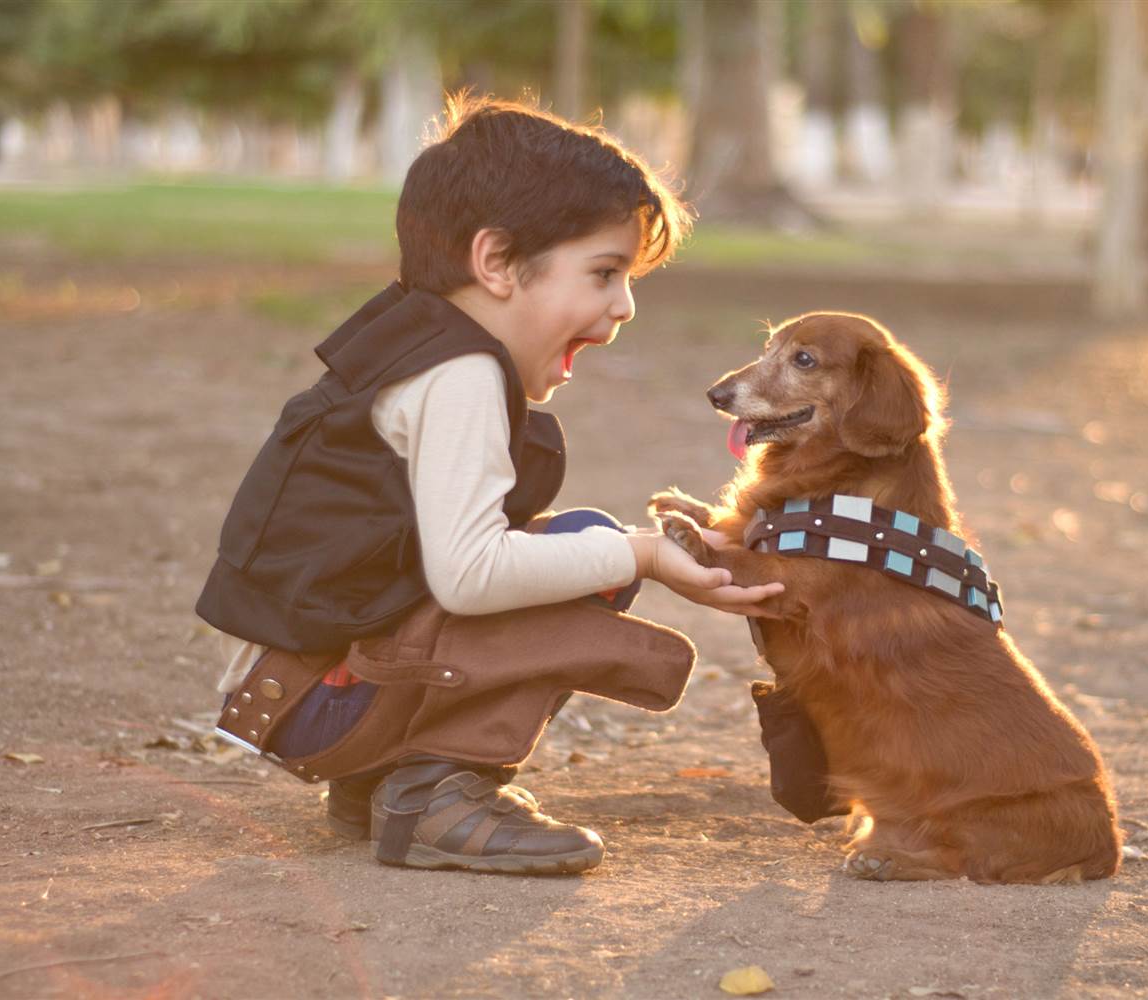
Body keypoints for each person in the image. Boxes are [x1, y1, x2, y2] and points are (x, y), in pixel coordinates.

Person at [196, 93, 782, 875]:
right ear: (497, 262)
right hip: (315, 704)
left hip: (299, 690)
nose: (625, 306)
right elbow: (469, 576)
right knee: (588, 553)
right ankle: (433, 793)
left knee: (577, 547)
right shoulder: (461, 374)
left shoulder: (414, 341)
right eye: (604, 273)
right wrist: (638, 554)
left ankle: (381, 781)